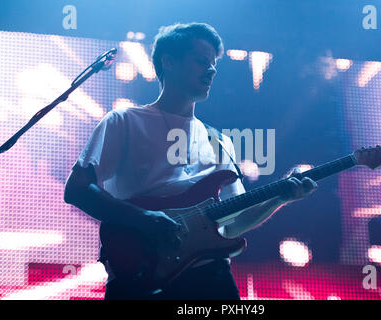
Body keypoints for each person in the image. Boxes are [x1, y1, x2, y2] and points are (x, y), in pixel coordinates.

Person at [64, 22, 317, 300]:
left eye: (213, 64)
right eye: (201, 61)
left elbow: (234, 223)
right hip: (141, 272)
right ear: (168, 61)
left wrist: (281, 197)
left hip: (210, 280)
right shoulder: (124, 121)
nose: (211, 70)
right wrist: (146, 219)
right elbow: (76, 189)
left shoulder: (220, 142)